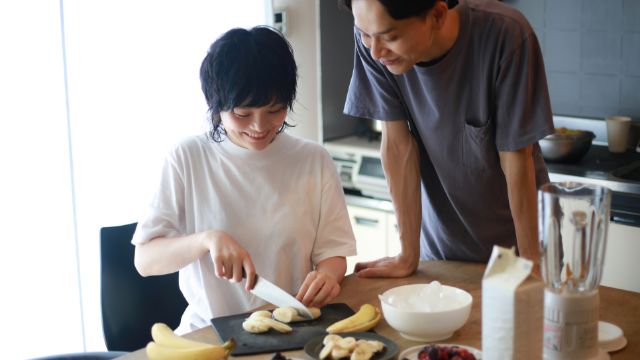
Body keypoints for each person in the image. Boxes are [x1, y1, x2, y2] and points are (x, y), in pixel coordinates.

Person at [132, 25, 356, 333]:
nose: (259, 127)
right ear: (217, 106)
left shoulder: (313, 160)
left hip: (290, 328)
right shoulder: (187, 157)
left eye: (274, 110)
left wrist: (329, 276)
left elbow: (333, 254)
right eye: (242, 114)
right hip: (209, 332)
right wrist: (207, 240)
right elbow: (145, 260)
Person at [339, 0, 553, 278]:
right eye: (365, 34)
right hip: (439, 255)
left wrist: (531, 263)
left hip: (517, 253)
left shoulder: (506, 34)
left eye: (390, 37)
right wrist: (407, 255)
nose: (376, 51)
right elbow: (397, 147)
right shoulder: (374, 44)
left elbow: (516, 158)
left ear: (437, 15)